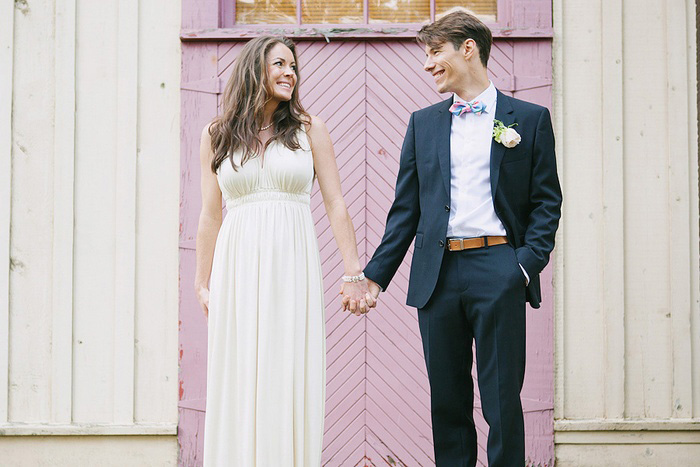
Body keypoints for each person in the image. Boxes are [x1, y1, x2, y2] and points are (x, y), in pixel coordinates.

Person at [360, 10, 562, 466]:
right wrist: (375, 277)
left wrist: (523, 264)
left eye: (435, 52)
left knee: (501, 402)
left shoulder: (529, 120)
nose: (427, 64)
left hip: (500, 269)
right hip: (438, 276)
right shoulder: (423, 124)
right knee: (448, 403)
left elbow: (547, 203)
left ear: (467, 48)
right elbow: (405, 211)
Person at [193, 35, 373, 466]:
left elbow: (335, 202)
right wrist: (202, 281)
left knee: (285, 369)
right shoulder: (216, 135)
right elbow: (210, 215)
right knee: (239, 374)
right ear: (256, 69)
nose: (290, 72)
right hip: (236, 268)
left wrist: (353, 271)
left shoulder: (310, 129)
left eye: (293, 66)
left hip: (291, 263)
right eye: (280, 64)